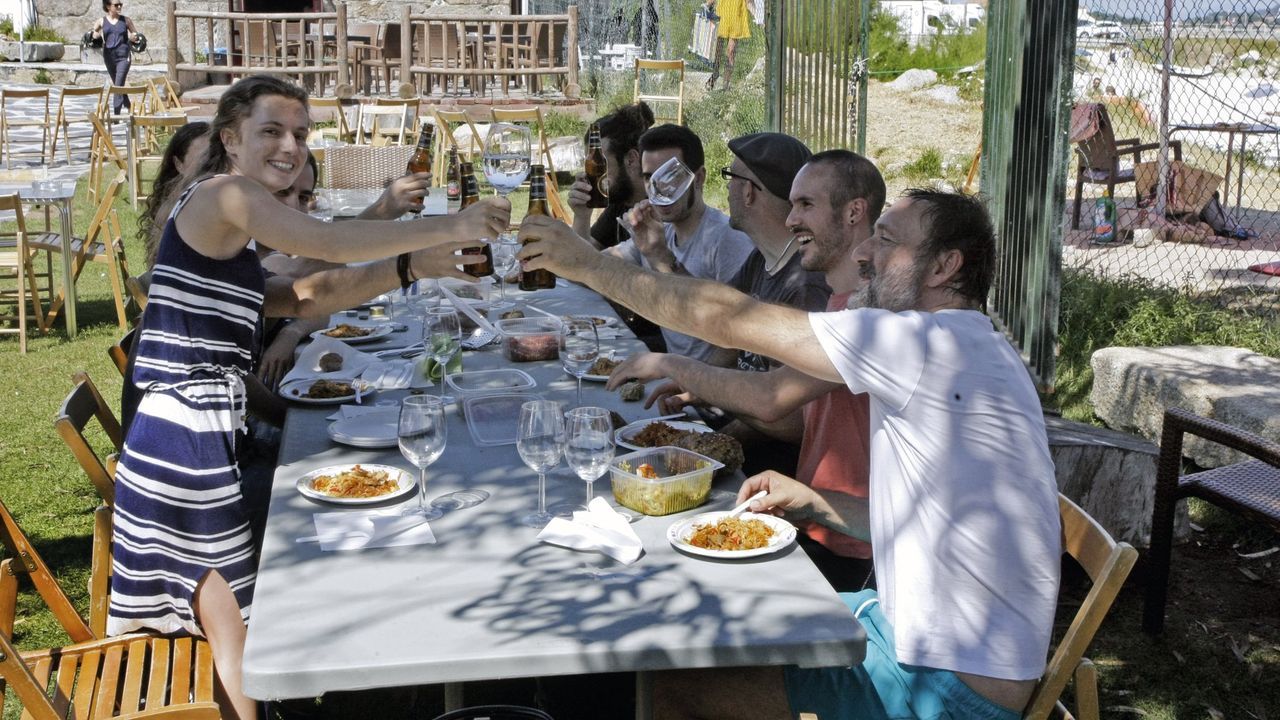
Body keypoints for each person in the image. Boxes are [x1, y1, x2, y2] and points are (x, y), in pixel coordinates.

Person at [518, 188, 1061, 718]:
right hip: (914, 640)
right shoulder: (972, 346)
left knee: (667, 685)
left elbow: (729, 319)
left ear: (944, 266)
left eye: (886, 241)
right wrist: (816, 503)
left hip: (944, 687)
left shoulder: (922, 343)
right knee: (692, 619)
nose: (864, 253)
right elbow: (939, 525)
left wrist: (589, 265)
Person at [110, 76, 509, 720]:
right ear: (230, 140)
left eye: (300, 133)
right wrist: (451, 222)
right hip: (184, 439)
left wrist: (415, 268)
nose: (290, 146)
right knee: (236, 632)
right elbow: (321, 244)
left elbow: (304, 297)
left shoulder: (225, 230)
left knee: (230, 619)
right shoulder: (225, 195)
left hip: (197, 428)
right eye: (271, 131)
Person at [608, 149, 885, 591]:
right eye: (793, 204)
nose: (793, 220)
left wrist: (676, 369)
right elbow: (720, 326)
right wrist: (696, 386)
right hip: (813, 516)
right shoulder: (837, 300)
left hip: (855, 550)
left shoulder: (868, 315)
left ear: (854, 212)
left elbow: (773, 400)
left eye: (806, 205)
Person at [605, 123, 753, 363]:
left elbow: (737, 337)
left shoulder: (727, 239)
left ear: (699, 178)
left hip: (707, 388)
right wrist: (579, 216)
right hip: (675, 376)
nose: (658, 189)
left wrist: (687, 390)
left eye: (671, 176)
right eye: (649, 178)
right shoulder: (656, 231)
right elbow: (599, 267)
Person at [568, 102, 655, 250]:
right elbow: (584, 258)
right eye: (589, 164)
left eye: (599, 163)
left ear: (631, 159)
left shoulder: (661, 210)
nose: (591, 174)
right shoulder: (621, 203)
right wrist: (582, 216)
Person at [140, 121, 210, 266]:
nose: (210, 166)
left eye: (215, 157)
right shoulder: (178, 206)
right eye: (202, 160)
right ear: (179, 164)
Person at [92, 0, 141, 114]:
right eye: (116, 5)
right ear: (108, 6)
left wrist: (134, 36)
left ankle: (116, 114)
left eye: (120, 4)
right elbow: (93, 33)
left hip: (124, 56)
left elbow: (136, 34)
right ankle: (129, 107)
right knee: (118, 84)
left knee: (118, 84)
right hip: (109, 57)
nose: (119, 6)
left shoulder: (126, 20)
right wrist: (95, 34)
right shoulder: (101, 21)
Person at [705, 0, 750, 91]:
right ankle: (715, 73)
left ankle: (725, 86)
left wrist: (759, 17)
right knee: (718, 50)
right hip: (723, 13)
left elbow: (749, 2)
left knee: (731, 52)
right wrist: (707, 5)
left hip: (737, 14)